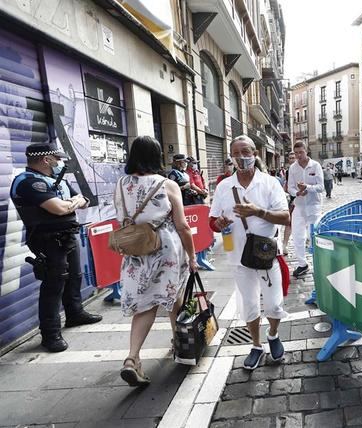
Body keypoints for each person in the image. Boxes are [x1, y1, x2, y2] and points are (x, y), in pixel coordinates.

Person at [115, 136, 197, 386]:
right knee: (175, 297)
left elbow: (121, 217)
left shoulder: (120, 183)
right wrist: (192, 256)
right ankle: (180, 343)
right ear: (157, 156)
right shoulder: (167, 184)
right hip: (165, 250)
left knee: (145, 306)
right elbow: (182, 226)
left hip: (135, 250)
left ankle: (132, 358)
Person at [10, 143, 102, 352]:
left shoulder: (54, 181)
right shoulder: (28, 183)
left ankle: (75, 314)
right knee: (53, 286)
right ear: (46, 160)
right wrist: (74, 202)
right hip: (47, 241)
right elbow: (59, 208)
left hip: (67, 236)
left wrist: (74, 202)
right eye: (57, 159)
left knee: (75, 277)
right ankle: (50, 335)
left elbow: (85, 200)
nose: (60, 163)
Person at [209, 135, 290, 370]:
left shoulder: (270, 183)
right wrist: (219, 224)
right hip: (239, 258)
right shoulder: (225, 186)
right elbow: (212, 221)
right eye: (237, 153)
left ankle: (273, 334)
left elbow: (285, 217)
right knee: (250, 306)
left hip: (266, 254)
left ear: (255, 154)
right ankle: (256, 345)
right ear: (232, 157)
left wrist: (258, 211)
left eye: (246, 152)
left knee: (274, 305)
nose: (242, 157)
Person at [287, 142, 324, 278]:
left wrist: (307, 188)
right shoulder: (293, 168)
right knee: (297, 236)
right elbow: (290, 187)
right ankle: (302, 264)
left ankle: (318, 262)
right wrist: (296, 193)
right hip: (299, 205)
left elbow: (321, 187)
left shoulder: (315, 165)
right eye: (296, 153)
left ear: (306, 151)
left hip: (314, 205)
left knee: (313, 235)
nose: (298, 156)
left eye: (300, 152)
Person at [282, 152, 296, 256]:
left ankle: (308, 240)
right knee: (289, 222)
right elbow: (287, 184)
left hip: (304, 200)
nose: (292, 160)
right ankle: (284, 245)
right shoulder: (288, 171)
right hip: (292, 200)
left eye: (293, 158)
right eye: (290, 158)